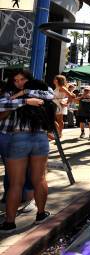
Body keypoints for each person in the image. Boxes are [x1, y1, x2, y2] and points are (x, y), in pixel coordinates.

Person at [1, 70, 55, 233]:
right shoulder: (12, 93)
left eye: (22, 79)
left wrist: (23, 94)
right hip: (38, 138)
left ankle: (10, 223)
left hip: (21, 138)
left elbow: (51, 95)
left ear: (29, 79)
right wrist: (26, 101)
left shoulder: (38, 91)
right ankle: (40, 214)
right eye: (16, 80)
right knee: (36, 179)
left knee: (18, 183)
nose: (19, 83)